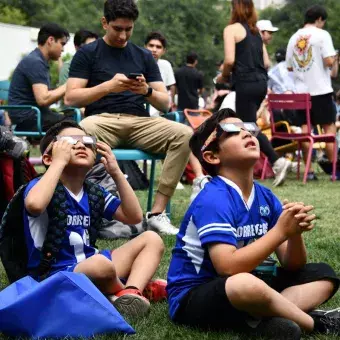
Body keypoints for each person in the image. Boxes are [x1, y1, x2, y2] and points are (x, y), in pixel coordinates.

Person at [167, 108, 340, 339]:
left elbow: (293, 264)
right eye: (232, 130)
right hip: (197, 295)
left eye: (248, 128)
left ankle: (263, 318)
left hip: (250, 283)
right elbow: (227, 267)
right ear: (212, 156)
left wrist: (294, 233)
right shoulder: (213, 198)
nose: (247, 133)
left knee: (323, 275)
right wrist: (280, 231)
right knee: (244, 284)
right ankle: (314, 323)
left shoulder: (265, 196)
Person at [64, 0, 192, 235]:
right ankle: (91, 210)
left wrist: (146, 91)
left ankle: (157, 213)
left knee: (184, 134)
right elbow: (71, 98)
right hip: (102, 119)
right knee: (80, 132)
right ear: (105, 23)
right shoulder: (87, 53)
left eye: (129, 29)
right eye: (118, 29)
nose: (123, 35)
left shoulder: (143, 56)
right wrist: (109, 87)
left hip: (140, 121)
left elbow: (164, 102)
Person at [23, 119, 166, 319]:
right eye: (70, 142)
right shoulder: (40, 186)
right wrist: (58, 163)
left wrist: (116, 173)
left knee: (151, 239)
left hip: (93, 264)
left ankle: (131, 293)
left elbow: (133, 216)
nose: (81, 144)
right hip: (54, 275)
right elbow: (35, 205)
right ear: (48, 158)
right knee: (101, 265)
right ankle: (123, 293)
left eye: (87, 142)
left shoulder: (92, 191)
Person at [217, 0, 291, 187]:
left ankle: (276, 161)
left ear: (234, 8)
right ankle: (252, 166)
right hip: (260, 84)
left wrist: (223, 77)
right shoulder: (256, 32)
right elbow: (266, 62)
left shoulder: (231, 29)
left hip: (245, 82)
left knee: (248, 127)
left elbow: (229, 60)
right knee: (247, 124)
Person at [286, 5, 338, 181]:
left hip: (301, 93)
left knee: (305, 130)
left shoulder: (293, 38)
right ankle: (334, 170)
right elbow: (329, 60)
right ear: (319, 20)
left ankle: (309, 171)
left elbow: (289, 66)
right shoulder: (322, 35)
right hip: (321, 89)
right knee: (329, 129)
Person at [8, 23, 70, 132]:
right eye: (62, 44)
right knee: (71, 123)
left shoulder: (38, 60)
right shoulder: (36, 62)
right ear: (50, 40)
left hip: (30, 114)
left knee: (68, 116)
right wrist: (69, 84)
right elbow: (43, 99)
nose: (63, 49)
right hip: (28, 116)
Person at [144, 31, 176, 116]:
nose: (154, 50)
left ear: (163, 51)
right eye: (151, 45)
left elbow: (171, 87)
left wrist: (169, 104)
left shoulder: (166, 65)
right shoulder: (137, 63)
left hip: (159, 110)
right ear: (145, 47)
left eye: (158, 47)